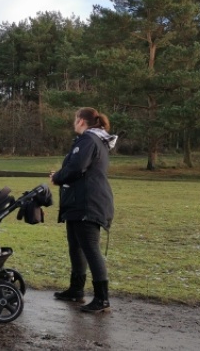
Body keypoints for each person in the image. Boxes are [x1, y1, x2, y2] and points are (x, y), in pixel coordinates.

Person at [50, 107, 117, 313]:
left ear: (81, 121)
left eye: (75, 119)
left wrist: (58, 177)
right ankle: (76, 289)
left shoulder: (89, 140)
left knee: (90, 248)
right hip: (78, 202)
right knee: (76, 246)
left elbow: (78, 167)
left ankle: (102, 298)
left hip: (88, 203)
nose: (73, 123)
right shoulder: (92, 140)